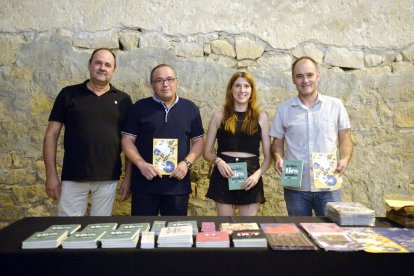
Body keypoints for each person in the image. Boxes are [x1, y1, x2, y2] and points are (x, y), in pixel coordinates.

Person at [43, 48, 133, 216]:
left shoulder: (123, 100)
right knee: (67, 231)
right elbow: (51, 135)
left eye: (108, 65)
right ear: (89, 65)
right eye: (98, 63)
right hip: (73, 176)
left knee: (99, 231)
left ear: (114, 70)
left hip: (108, 178)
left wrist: (128, 178)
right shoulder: (68, 94)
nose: (102, 68)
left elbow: (129, 142)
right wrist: (51, 175)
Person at [270, 56, 353, 216]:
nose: (305, 80)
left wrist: (344, 159)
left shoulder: (335, 105)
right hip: (296, 188)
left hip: (328, 185)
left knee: (331, 235)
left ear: (318, 76)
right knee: (300, 234)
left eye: (309, 75)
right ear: (293, 79)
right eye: (299, 76)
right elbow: (277, 143)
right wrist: (278, 158)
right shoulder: (284, 109)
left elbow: (345, 139)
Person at [121, 64, 204, 216]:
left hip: (177, 186)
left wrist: (186, 164)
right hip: (144, 184)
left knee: (174, 234)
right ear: (152, 85)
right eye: (159, 80)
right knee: (143, 232)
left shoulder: (190, 108)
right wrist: (141, 164)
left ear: (176, 81)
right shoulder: (139, 107)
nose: (165, 84)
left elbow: (199, 142)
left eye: (169, 79)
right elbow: (127, 140)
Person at [204, 71, 272, 216]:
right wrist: (218, 161)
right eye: (237, 86)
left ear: (252, 91)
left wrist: (257, 176)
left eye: (246, 86)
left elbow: (268, 158)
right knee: (225, 226)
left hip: (250, 177)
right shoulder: (218, 116)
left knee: (247, 229)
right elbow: (207, 152)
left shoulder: (261, 117)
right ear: (231, 89)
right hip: (224, 174)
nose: (242, 90)